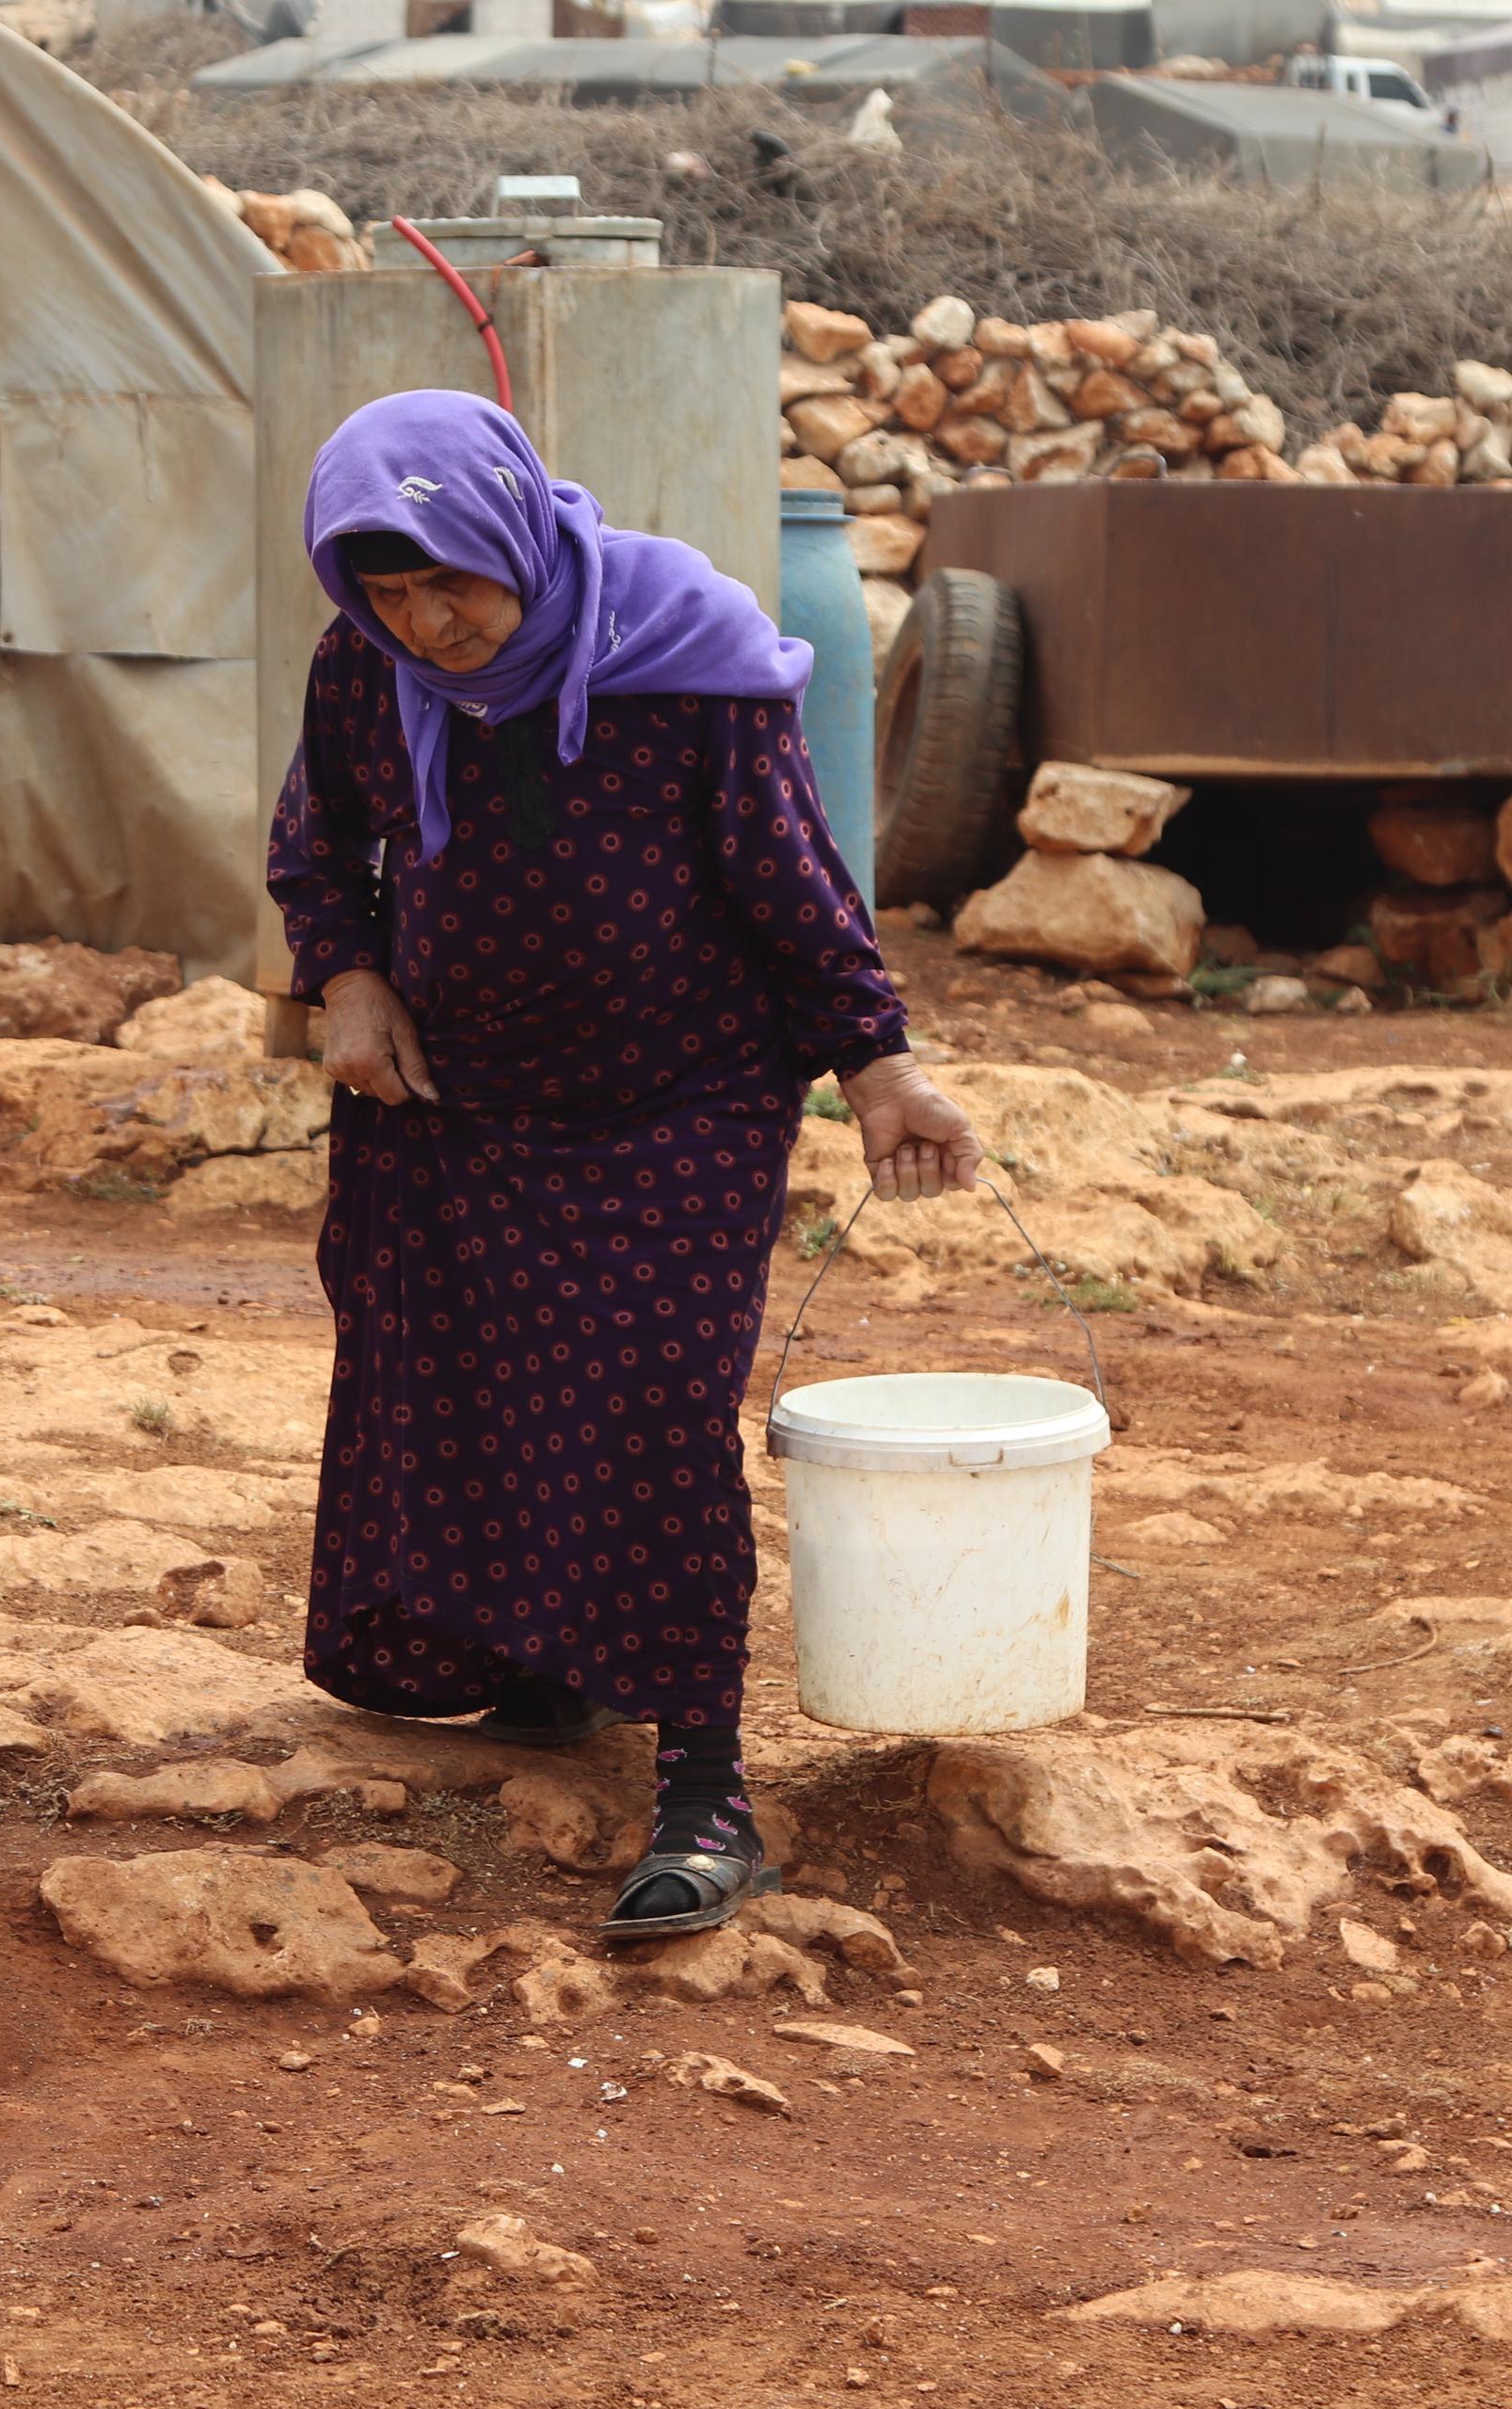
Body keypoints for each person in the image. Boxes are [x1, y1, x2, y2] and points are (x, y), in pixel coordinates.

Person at [267, 390, 982, 1938]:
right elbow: (315, 845)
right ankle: (538, 1668)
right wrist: (350, 976)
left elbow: (792, 877)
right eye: (386, 594)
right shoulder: (365, 669)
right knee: (467, 1371)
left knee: (654, 1410)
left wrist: (877, 1063)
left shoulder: (688, 657)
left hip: (679, 1101)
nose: (427, 623)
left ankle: (708, 1792)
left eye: (450, 582)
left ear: (512, 535)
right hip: (462, 1102)